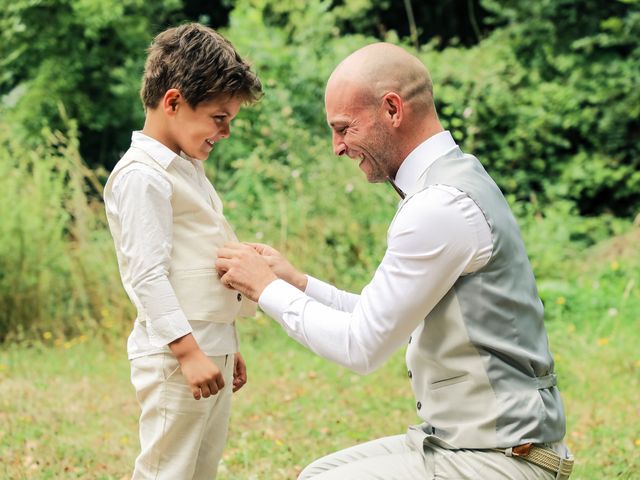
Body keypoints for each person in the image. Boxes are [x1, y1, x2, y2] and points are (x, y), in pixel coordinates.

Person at [215, 43, 574, 479]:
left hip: (504, 457)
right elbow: (378, 314)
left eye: (344, 128)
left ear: (392, 109)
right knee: (316, 473)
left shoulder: (440, 205)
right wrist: (296, 283)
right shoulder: (452, 180)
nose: (337, 147)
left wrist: (266, 290)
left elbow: (360, 346)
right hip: (463, 441)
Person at [103, 23, 262, 479]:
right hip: (175, 359)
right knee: (167, 470)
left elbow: (193, 261)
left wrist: (223, 342)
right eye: (219, 117)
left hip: (206, 347)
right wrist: (190, 352)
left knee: (199, 468)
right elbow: (146, 275)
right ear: (173, 102)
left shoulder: (186, 168)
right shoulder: (142, 176)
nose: (226, 131)